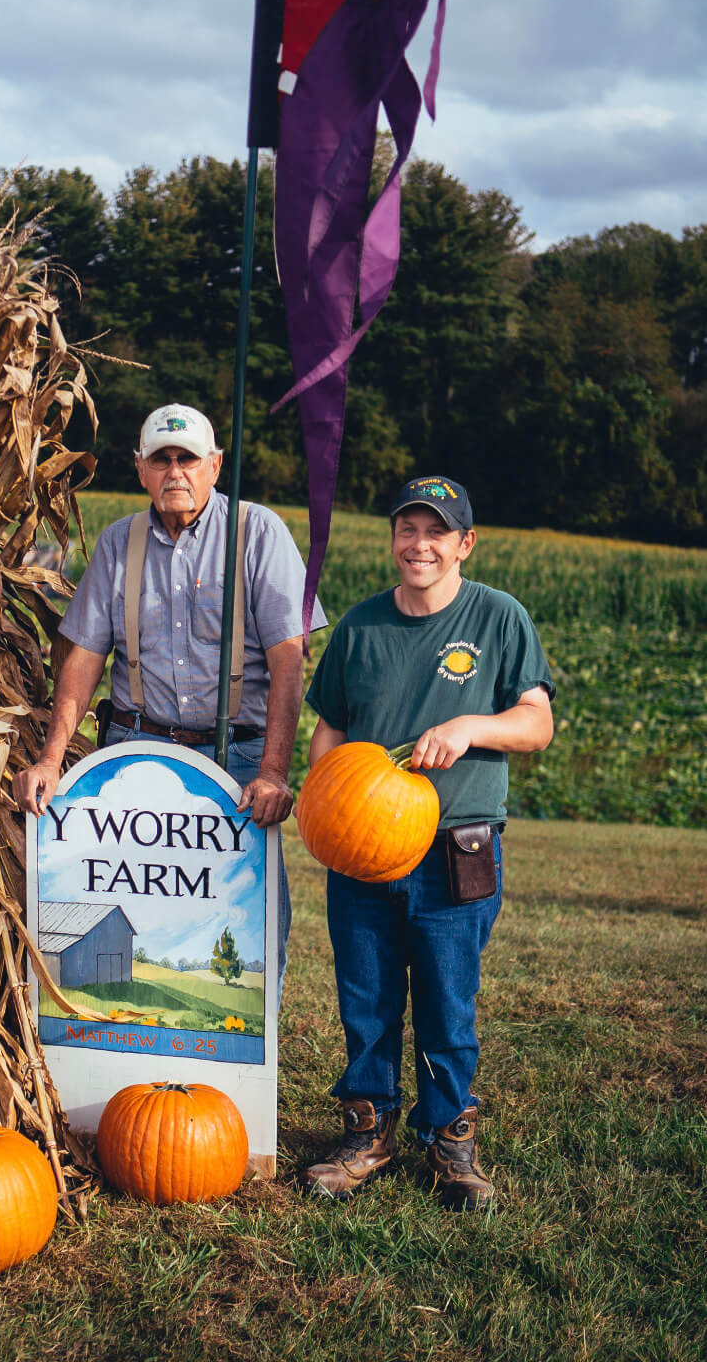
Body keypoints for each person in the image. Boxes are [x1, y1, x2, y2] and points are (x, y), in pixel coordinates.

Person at [299, 475, 554, 1211]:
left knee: (448, 998)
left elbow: (535, 723)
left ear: (463, 544)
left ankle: (451, 1140)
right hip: (363, 841)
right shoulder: (361, 627)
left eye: (436, 532)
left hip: (457, 845)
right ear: (393, 540)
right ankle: (368, 1130)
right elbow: (333, 727)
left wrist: (472, 726)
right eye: (407, 530)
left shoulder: (499, 617)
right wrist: (324, 798)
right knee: (367, 995)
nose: (420, 545)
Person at [12, 404, 325, 980]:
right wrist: (52, 759)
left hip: (237, 759)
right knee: (141, 900)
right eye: (162, 460)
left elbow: (288, 662)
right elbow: (82, 659)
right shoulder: (117, 544)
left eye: (188, 459)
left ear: (215, 464)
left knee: (243, 912)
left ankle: (246, 1063)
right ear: (140, 469)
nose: (175, 472)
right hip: (135, 751)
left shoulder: (257, 534)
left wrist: (276, 772)